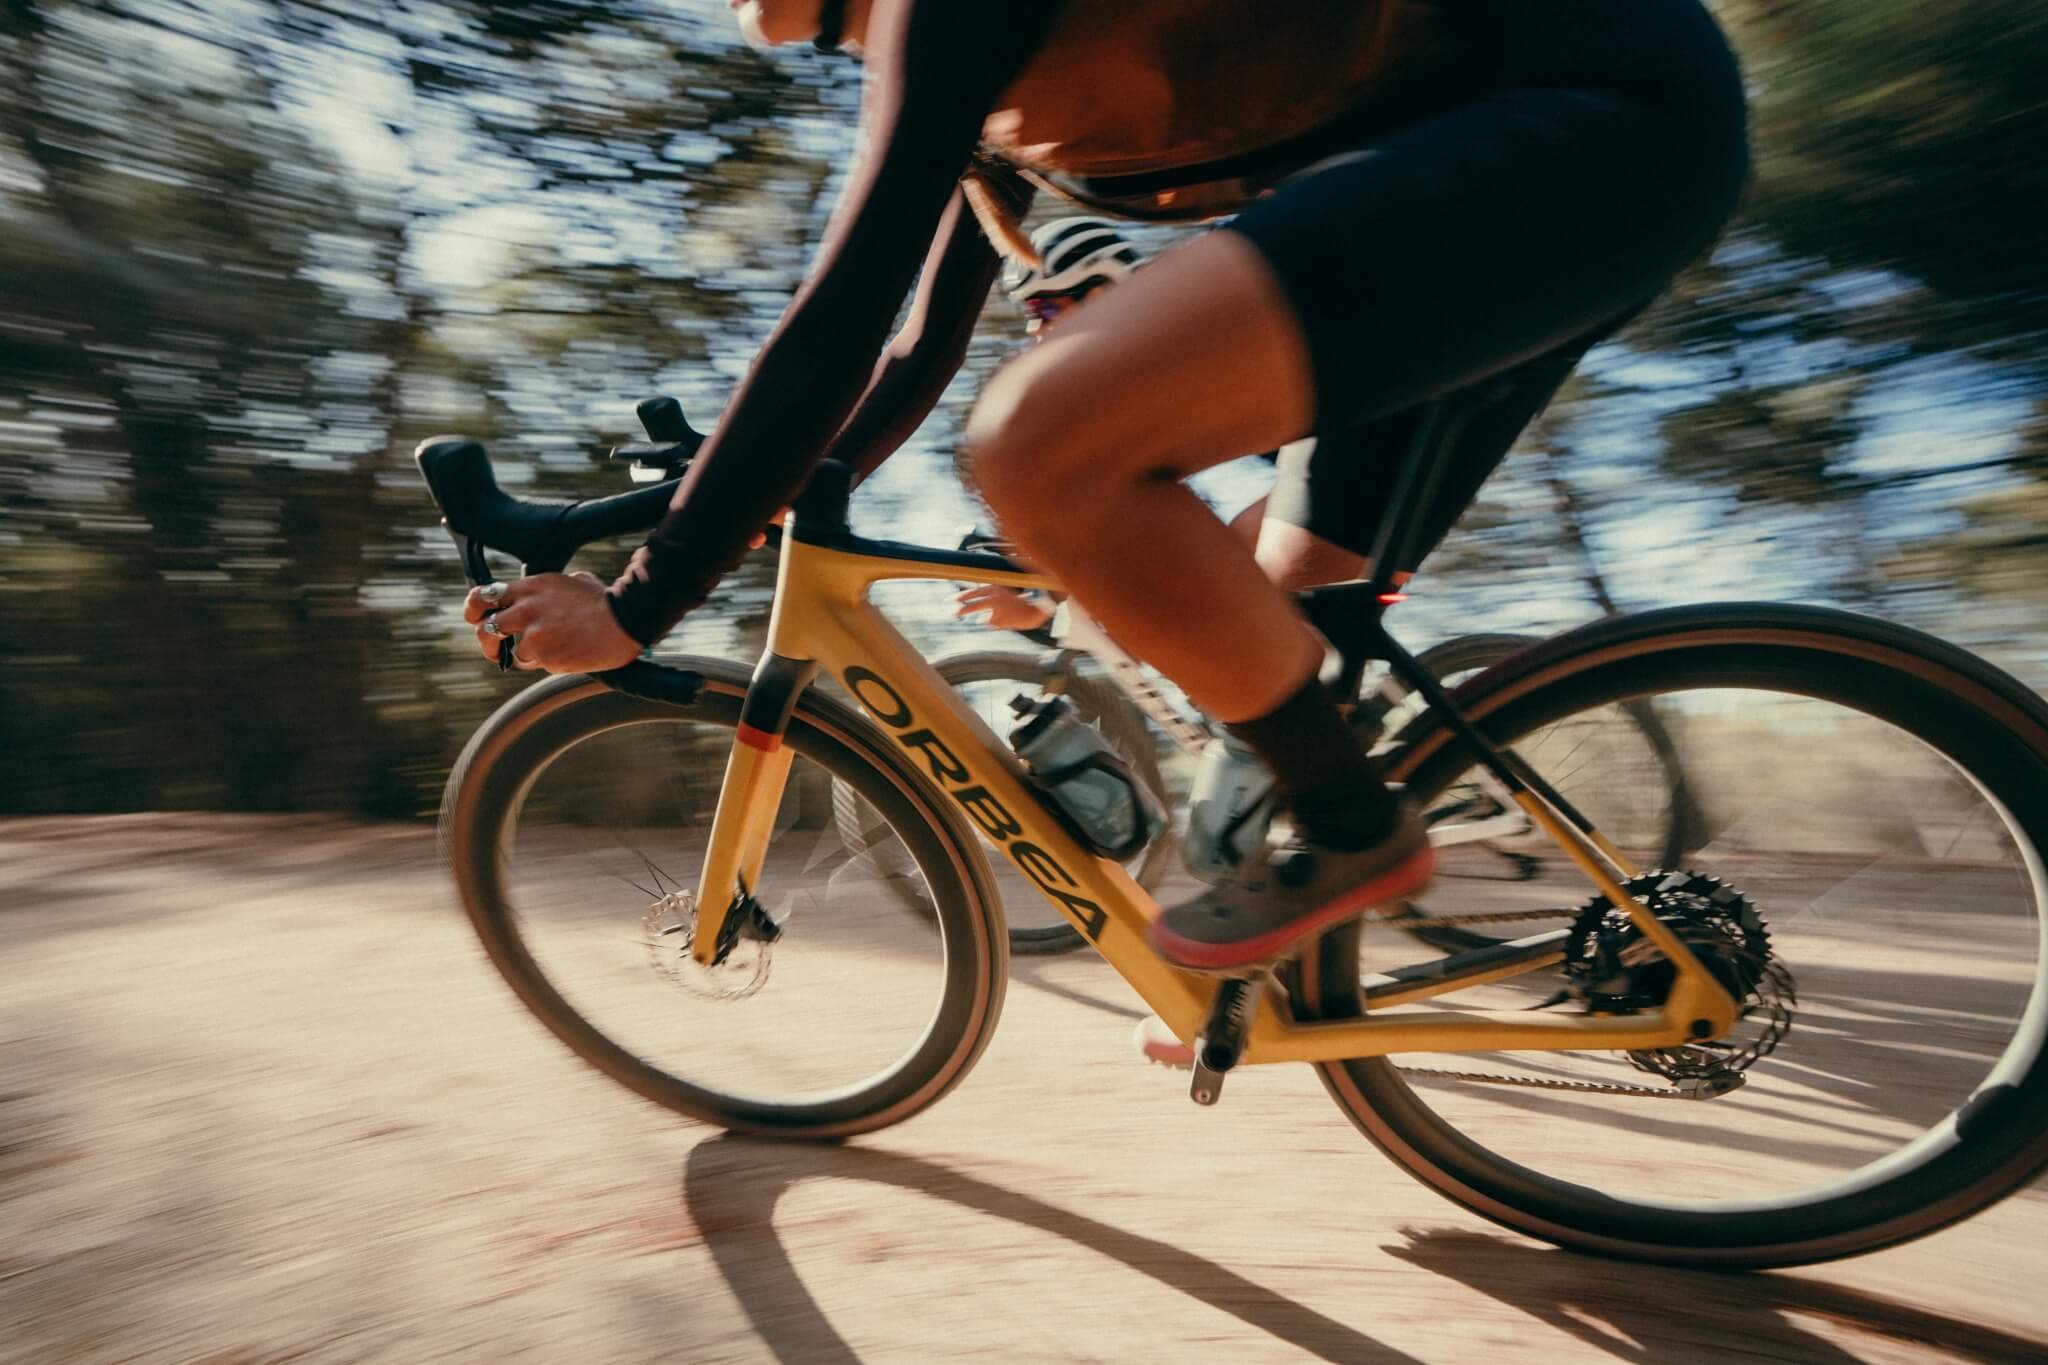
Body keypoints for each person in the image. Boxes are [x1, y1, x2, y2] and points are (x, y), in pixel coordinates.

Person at [466, 0, 1749, 984]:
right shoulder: (1005, 108)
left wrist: (647, 599)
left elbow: (837, 316)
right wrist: (727, 499)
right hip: (1579, 155)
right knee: (1270, 620)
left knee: (1042, 445)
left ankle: (1356, 827)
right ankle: (1300, 942)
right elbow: (907, 355)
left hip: (1593, 120)